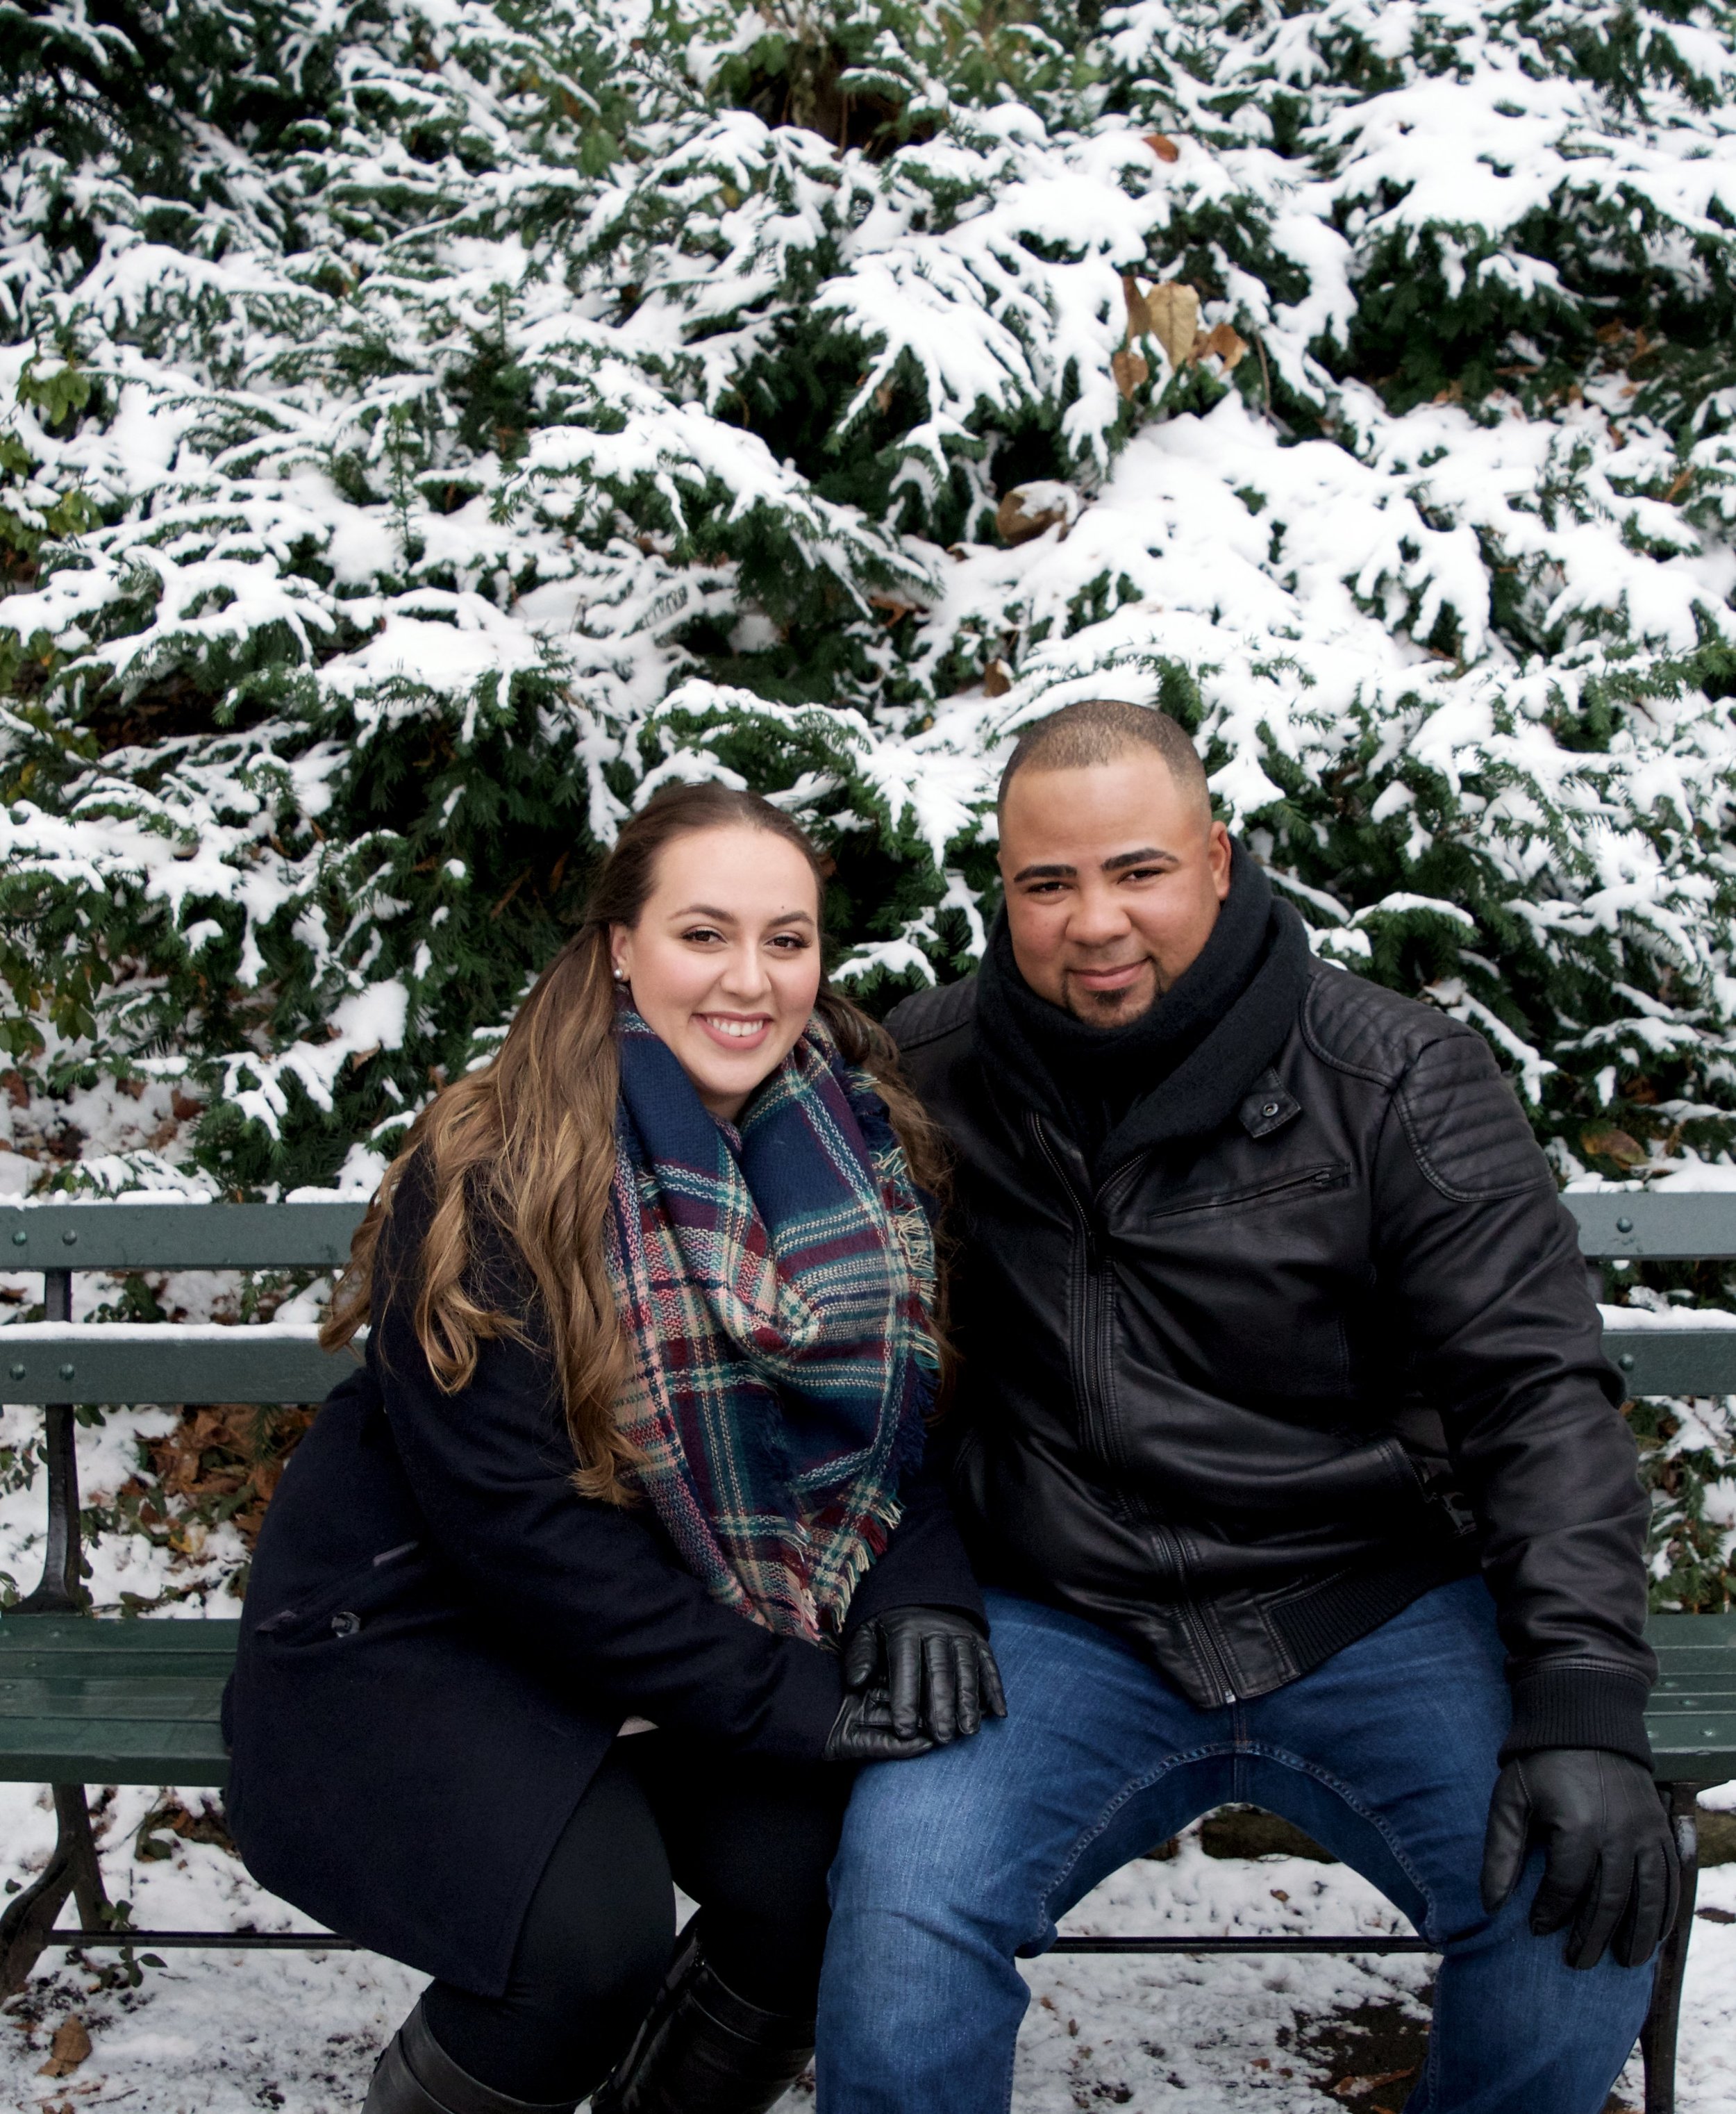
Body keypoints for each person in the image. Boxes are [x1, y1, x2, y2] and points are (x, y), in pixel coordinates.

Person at [816, 699, 1678, 2114]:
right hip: (1057, 1616)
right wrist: (911, 1575)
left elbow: (1535, 1396)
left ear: (1216, 858)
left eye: (1137, 869)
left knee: (1571, 1928)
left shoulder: (1394, 1075)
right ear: (1003, 890)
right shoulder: (927, 1071)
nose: (1095, 921)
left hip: (1368, 1599)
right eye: (1048, 882)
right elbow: (864, 1372)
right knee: (901, 1938)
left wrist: (1581, 1702)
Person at [223, 782, 1003, 2114]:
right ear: (619, 949)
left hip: (695, 1620)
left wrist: (921, 1589)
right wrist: (796, 1706)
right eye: (704, 935)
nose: (751, 982)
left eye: (788, 939)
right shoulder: (497, 1166)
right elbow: (519, 1532)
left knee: (833, 1889)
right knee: (586, 1946)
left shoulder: (863, 1147)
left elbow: (888, 1434)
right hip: (434, 1619)